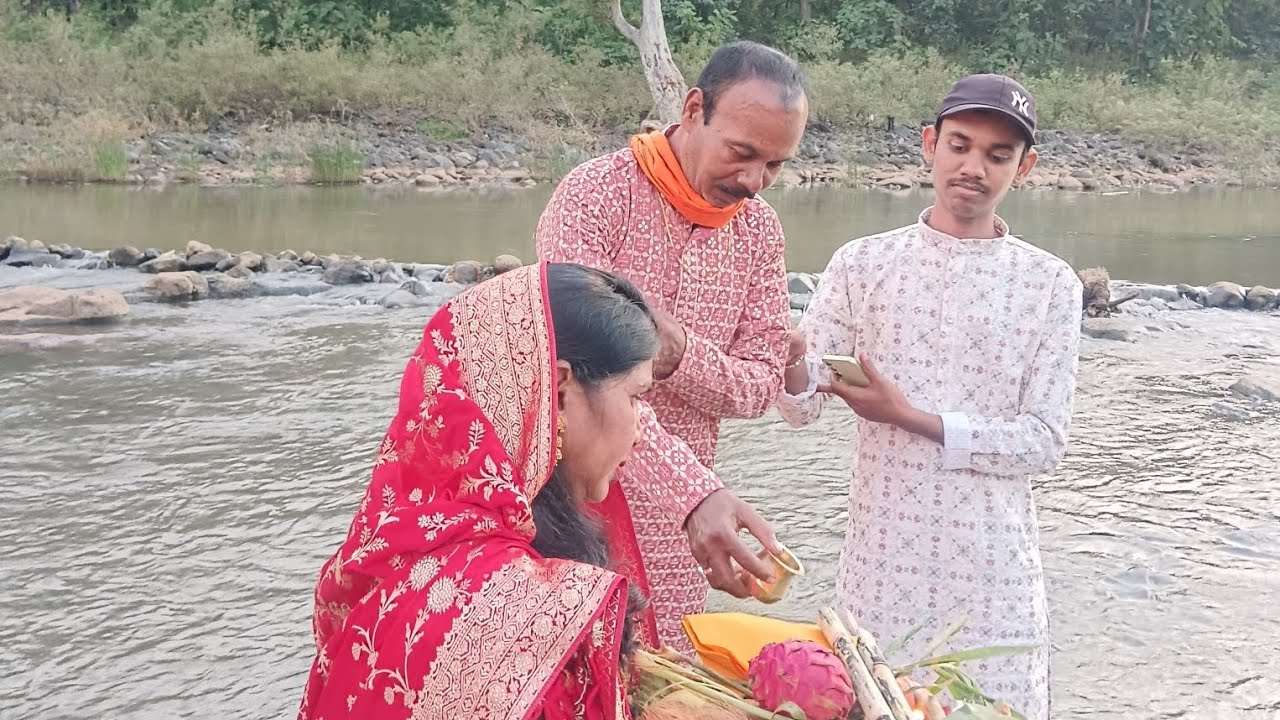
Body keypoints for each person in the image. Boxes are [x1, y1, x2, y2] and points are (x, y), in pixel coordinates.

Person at [776, 74, 1083, 720]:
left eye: (998, 156)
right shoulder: (861, 265)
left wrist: (910, 417)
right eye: (960, 145)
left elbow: (1043, 441)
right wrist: (782, 349)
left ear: (1024, 168)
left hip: (993, 569)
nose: (974, 167)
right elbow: (802, 406)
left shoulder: (1050, 285)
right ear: (928, 145)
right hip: (882, 565)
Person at [535, 40, 809, 650]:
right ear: (693, 109)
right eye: (741, 153)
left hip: (683, 527)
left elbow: (761, 384)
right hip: (570, 501)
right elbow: (578, 375)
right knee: (573, 666)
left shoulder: (759, 231)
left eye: (775, 165)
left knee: (668, 679)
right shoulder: (595, 197)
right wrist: (693, 491)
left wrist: (681, 354)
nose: (752, 181)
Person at [298, 262, 660, 719]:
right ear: (563, 391)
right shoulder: (527, 619)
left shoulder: (397, 553)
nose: (640, 433)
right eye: (636, 399)